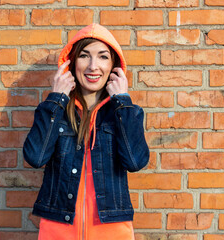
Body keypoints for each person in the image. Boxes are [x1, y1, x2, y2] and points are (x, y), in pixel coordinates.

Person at [23, 23, 149, 240]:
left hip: (112, 231)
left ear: (114, 66)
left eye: (102, 57)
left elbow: (135, 161)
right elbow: (35, 157)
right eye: (84, 56)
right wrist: (57, 98)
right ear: (72, 63)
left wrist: (122, 101)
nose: (93, 66)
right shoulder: (56, 110)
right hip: (58, 230)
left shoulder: (123, 112)